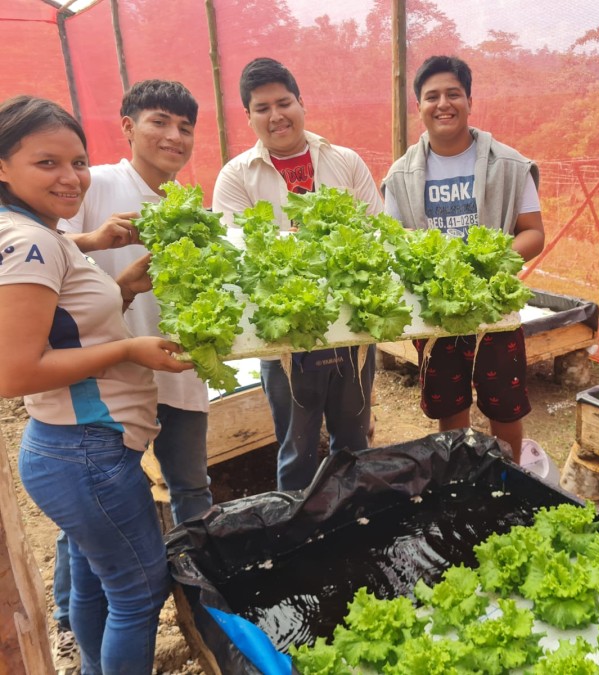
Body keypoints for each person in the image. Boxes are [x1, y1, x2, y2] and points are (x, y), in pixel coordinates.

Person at [0, 95, 193, 674]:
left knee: (93, 582)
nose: (72, 177)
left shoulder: (37, 233)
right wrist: (131, 348)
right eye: (47, 163)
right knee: (137, 593)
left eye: (78, 161)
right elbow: (15, 371)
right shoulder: (29, 243)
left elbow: (68, 323)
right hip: (85, 448)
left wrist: (124, 285)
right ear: (3, 167)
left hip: (69, 445)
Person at [52, 79, 211, 671]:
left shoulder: (184, 205)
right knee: (94, 518)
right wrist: (100, 251)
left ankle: (204, 597)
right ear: (126, 125)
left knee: (192, 488)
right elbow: (51, 262)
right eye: (159, 122)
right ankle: (70, 617)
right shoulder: (93, 186)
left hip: (176, 374)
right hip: (108, 382)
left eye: (185, 127)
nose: (174, 136)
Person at [212, 57, 382, 491]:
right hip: (282, 340)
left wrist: (286, 244)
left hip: (350, 327)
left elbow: (378, 233)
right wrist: (322, 244)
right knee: (296, 447)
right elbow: (238, 257)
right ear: (249, 116)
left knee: (354, 440)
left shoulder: (344, 161)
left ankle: (356, 517)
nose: (276, 115)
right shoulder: (236, 177)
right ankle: (297, 530)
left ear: (301, 103)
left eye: (284, 102)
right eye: (262, 107)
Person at [382, 55, 545, 463]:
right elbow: (393, 241)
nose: (443, 104)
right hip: (437, 314)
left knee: (504, 402)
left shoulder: (508, 164)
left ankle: (509, 474)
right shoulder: (401, 176)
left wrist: (483, 260)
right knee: (448, 402)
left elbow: (533, 232)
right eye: (431, 96)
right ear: (418, 107)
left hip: (495, 307)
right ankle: (460, 473)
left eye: (453, 93)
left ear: (469, 100)